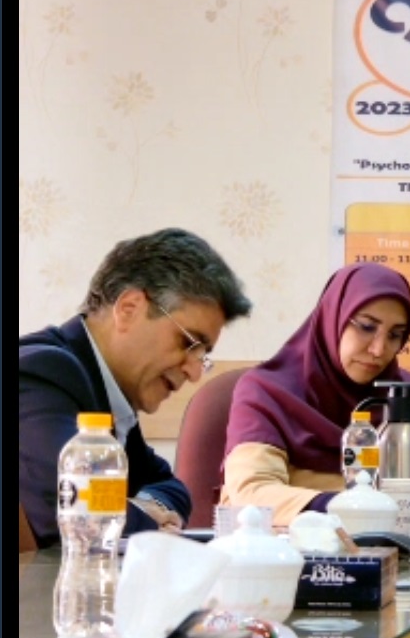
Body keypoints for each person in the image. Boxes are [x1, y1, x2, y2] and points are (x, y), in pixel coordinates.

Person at [18, 228, 253, 548]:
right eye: (188, 343)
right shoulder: (43, 372)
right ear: (129, 309)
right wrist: (147, 519)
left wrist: (138, 507)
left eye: (202, 355)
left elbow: (171, 488)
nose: (195, 371)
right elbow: (73, 505)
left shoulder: (109, 395)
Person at [221, 262, 410, 525]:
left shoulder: (407, 396)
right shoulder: (266, 391)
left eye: (395, 335)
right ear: (332, 316)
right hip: (291, 546)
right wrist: (348, 508)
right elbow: (251, 493)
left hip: (396, 545)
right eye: (366, 327)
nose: (379, 349)